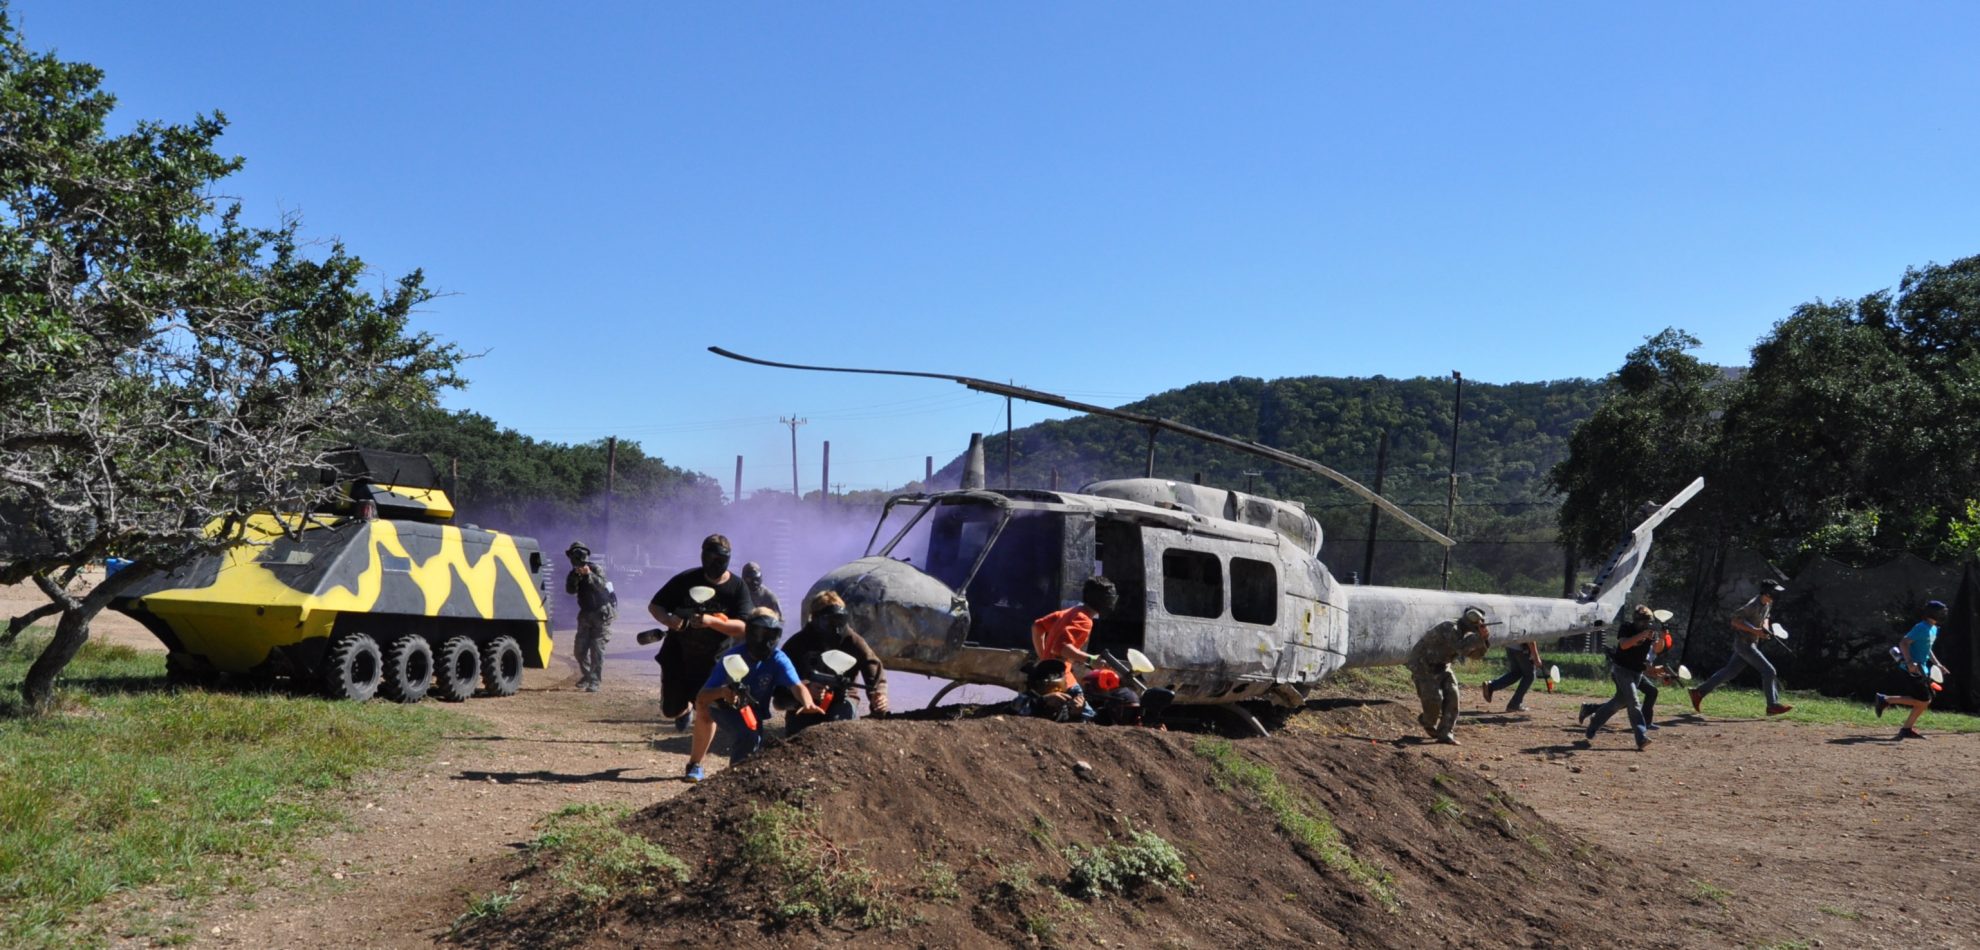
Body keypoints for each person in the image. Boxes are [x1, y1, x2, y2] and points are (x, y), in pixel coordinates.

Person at [683, 608, 823, 782]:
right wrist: (723, 692)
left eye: (771, 634)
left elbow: (797, 686)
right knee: (747, 736)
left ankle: (740, 781)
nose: (765, 640)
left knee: (753, 740)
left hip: (753, 710)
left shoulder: (777, 658)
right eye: (760, 633)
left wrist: (808, 703)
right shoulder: (732, 657)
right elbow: (702, 697)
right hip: (722, 706)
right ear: (749, 632)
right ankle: (726, 778)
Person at [647, 534, 754, 732]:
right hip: (678, 656)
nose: (715, 564)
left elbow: (744, 627)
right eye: (710, 558)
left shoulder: (737, 587)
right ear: (703, 556)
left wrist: (712, 621)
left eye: (720, 560)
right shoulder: (686, 580)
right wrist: (669, 620)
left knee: (708, 709)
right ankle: (685, 709)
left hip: (714, 660)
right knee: (671, 710)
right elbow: (655, 606)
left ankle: (699, 748)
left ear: (728, 559)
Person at [780, 590, 889, 734]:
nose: (836, 629)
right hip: (804, 701)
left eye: (840, 621)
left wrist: (878, 696)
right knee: (798, 733)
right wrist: (804, 689)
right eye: (829, 622)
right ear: (814, 619)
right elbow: (779, 685)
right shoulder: (797, 643)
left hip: (842, 698)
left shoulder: (852, 640)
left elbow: (872, 666)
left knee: (839, 729)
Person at [1689, 579, 1793, 717]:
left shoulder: (1768, 603)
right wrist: (1755, 631)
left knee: (1730, 672)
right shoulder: (1752, 605)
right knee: (1769, 671)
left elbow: (1766, 617)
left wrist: (1765, 629)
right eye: (1775, 591)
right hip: (1744, 645)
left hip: (1750, 643)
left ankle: (1698, 692)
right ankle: (1772, 705)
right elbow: (1735, 621)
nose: (1777, 595)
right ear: (1767, 592)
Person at [1029, 576, 1119, 714]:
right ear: (1103, 600)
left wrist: (1044, 658)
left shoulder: (1071, 612)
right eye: (1109, 599)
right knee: (1089, 716)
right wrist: (1091, 659)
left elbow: (1037, 626)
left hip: (1047, 677)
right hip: (1062, 680)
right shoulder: (1084, 620)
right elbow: (1060, 647)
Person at [1406, 607, 1492, 745]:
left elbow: (1474, 655)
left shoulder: (1464, 634)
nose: (1480, 625)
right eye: (1477, 623)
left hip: (1443, 665)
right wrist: (1478, 637)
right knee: (1434, 700)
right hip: (1423, 664)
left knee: (1453, 696)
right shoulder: (1450, 627)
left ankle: (1445, 733)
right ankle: (1427, 721)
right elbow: (1460, 648)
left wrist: (1484, 640)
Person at [1578, 606, 1656, 751]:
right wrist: (1642, 635)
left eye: (1648, 622)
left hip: (1637, 672)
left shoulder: (1650, 633)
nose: (1646, 625)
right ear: (1636, 620)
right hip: (1621, 670)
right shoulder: (1626, 627)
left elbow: (1652, 651)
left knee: (1618, 702)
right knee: (1633, 701)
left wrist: (1662, 639)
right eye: (1643, 622)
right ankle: (1641, 737)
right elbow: (1624, 645)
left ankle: (1594, 722)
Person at [1874, 600, 1947, 740]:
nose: (1943, 614)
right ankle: (1885, 699)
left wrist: (1938, 664)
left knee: (1925, 701)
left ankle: (1906, 729)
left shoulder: (1933, 628)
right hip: (1912, 669)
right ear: (1932, 613)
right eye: (1941, 612)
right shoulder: (1921, 627)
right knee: (1923, 700)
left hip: (1922, 669)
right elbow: (1904, 643)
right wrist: (1909, 662)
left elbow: (1927, 648)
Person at [563, 541, 618, 692]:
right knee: (579, 651)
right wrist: (575, 577)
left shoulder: (595, 568)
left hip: (602, 613)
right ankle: (588, 674)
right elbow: (570, 590)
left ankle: (594, 680)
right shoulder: (574, 573)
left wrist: (588, 574)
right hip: (586, 614)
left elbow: (601, 585)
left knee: (597, 649)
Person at [1481, 639, 1540, 712]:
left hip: (1510, 645)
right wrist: (1536, 656)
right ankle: (1515, 704)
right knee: (1529, 676)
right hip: (1521, 648)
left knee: (1516, 672)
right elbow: (1530, 637)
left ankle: (1491, 686)